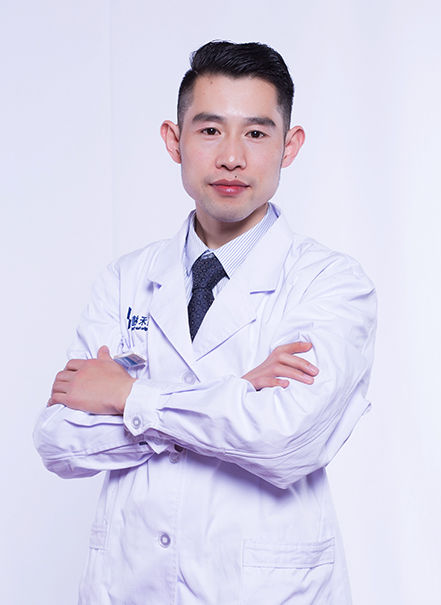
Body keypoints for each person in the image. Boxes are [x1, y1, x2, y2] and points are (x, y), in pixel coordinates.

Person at [34, 40, 376, 604]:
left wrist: (128, 396)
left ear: (290, 146)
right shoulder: (124, 280)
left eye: (257, 133)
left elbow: (285, 442)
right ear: (175, 140)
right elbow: (60, 443)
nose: (232, 157)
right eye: (211, 130)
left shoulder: (332, 284)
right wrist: (237, 392)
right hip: (129, 585)